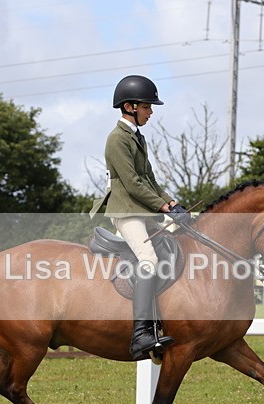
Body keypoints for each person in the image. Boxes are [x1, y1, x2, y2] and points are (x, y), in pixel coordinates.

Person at [89, 75, 189, 360]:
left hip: (143, 210)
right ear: (130, 106)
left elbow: (150, 180)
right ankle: (141, 334)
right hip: (126, 212)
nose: (151, 111)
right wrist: (164, 208)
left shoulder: (137, 137)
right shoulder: (117, 139)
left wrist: (173, 202)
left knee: (173, 249)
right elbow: (132, 184)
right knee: (149, 261)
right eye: (147, 106)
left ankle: (160, 320)